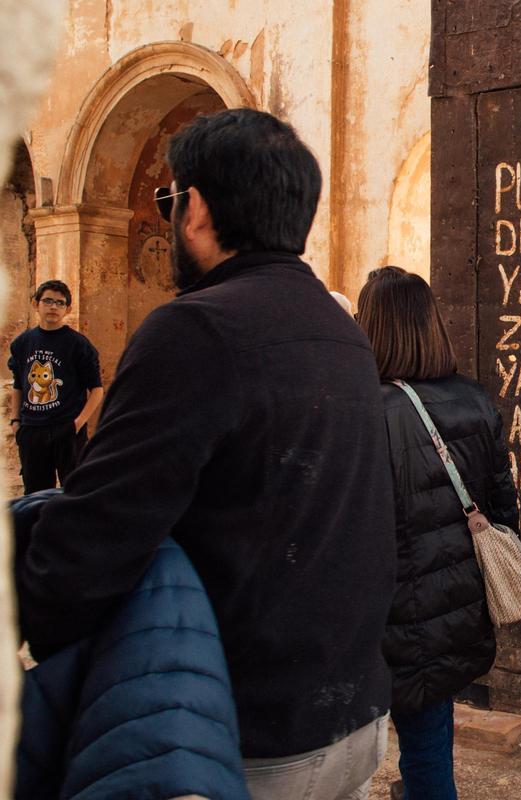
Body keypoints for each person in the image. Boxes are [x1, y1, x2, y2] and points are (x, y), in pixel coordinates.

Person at [18, 109, 395, 800]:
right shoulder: (338, 328)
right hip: (350, 718)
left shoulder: (193, 331)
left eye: (167, 199)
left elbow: (88, 548)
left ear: (193, 208)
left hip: (236, 739)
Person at [356, 266, 519, 800]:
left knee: (408, 758)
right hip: (457, 612)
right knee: (431, 738)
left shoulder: (367, 412)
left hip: (395, 619)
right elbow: (503, 510)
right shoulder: (475, 399)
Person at [7, 279, 103, 493]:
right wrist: (15, 421)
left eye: (60, 303)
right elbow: (18, 384)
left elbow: (96, 389)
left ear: (68, 309)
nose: (53, 307)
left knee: (75, 491)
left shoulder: (78, 344)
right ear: (36, 304)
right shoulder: (23, 343)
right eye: (48, 301)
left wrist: (77, 424)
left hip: (66, 428)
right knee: (34, 493)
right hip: (32, 430)